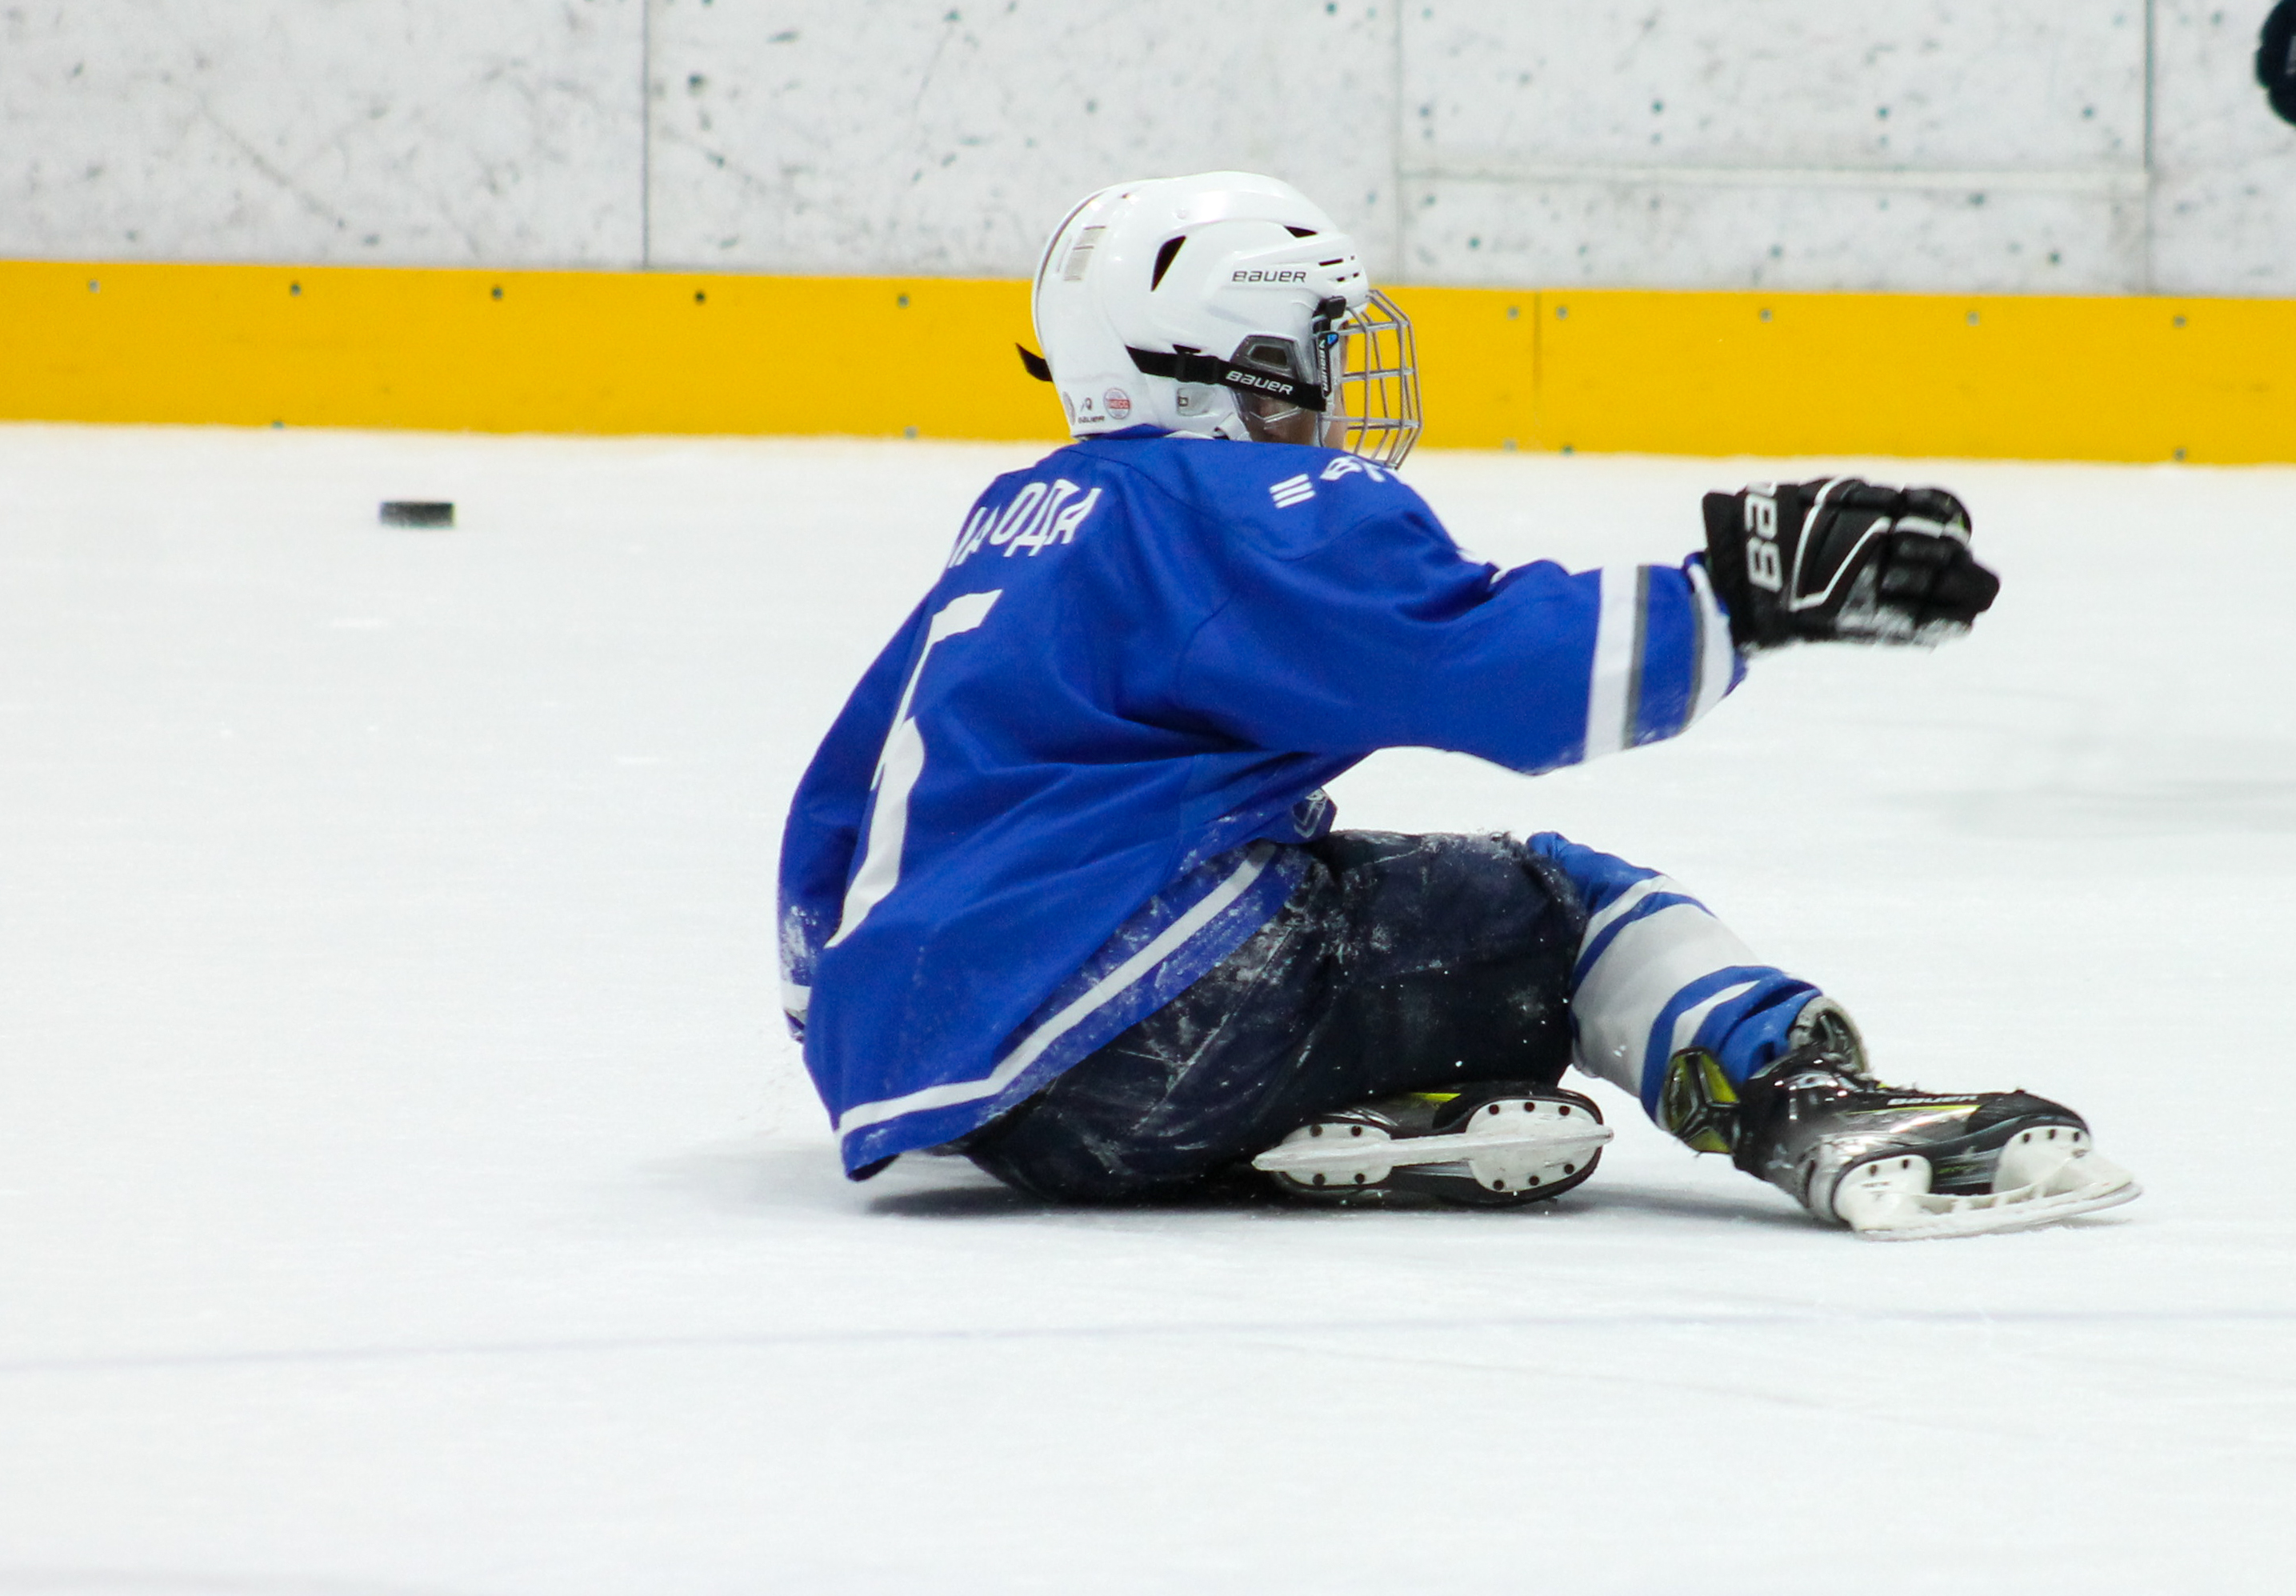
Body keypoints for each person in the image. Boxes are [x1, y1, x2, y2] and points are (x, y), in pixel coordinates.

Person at [776, 171, 2137, 1237]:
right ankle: (1804, 1101)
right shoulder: (1235, 502)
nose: (1333, 370)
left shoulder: (1022, 518)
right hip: (1163, 1022)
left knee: (1300, 881)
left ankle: (1293, 1106)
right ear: (1228, 355)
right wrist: (1736, 599)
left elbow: (839, 799)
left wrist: (888, 1030)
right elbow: (1480, 665)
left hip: (959, 1092)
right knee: (1569, 908)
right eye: (1310, 337)